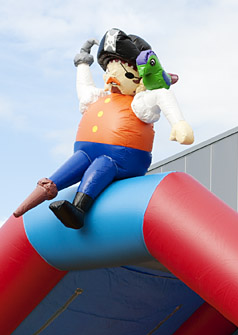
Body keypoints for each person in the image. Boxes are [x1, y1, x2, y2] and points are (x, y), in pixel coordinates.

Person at [14, 28, 195, 229]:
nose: (111, 78)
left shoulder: (139, 102)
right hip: (85, 151)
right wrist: (83, 63)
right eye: (108, 71)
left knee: (103, 164)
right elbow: (84, 90)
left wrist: (178, 123)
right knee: (76, 162)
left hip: (123, 158)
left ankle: (79, 209)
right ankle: (45, 190)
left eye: (124, 73)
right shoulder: (101, 97)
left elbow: (162, 95)